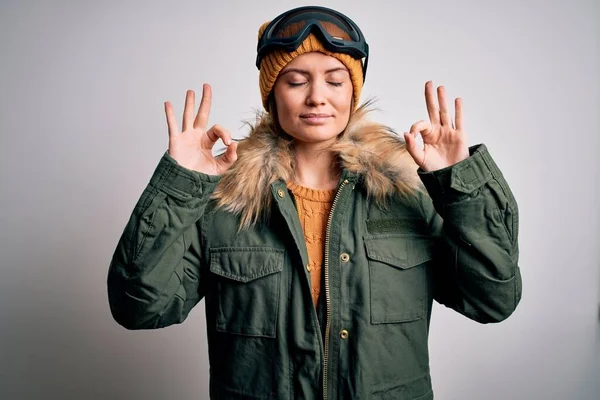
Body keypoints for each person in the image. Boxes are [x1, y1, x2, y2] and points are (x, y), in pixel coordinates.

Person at [107, 5, 522, 399]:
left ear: (353, 93)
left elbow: (493, 300)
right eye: (297, 80)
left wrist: (460, 183)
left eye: (335, 81)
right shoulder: (225, 201)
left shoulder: (408, 193)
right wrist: (181, 182)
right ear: (272, 94)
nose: (317, 97)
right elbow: (139, 307)